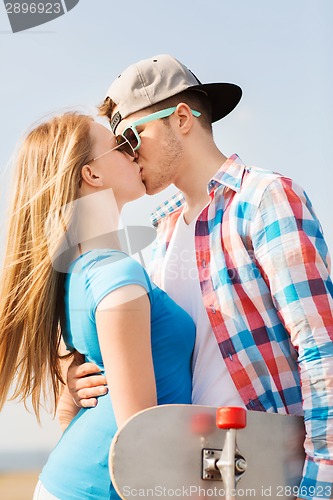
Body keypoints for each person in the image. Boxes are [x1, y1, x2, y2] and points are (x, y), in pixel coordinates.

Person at [68, 55, 333, 500]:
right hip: (188, 475)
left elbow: (320, 346)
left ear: (183, 118)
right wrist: (84, 381)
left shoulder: (266, 199)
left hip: (266, 471)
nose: (127, 154)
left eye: (132, 137)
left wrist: (320, 483)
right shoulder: (158, 235)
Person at [0, 112, 195, 499]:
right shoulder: (116, 273)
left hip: (77, 482)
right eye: (121, 146)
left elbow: (69, 408)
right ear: (92, 175)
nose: (134, 152)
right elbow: (140, 435)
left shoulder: (78, 271)